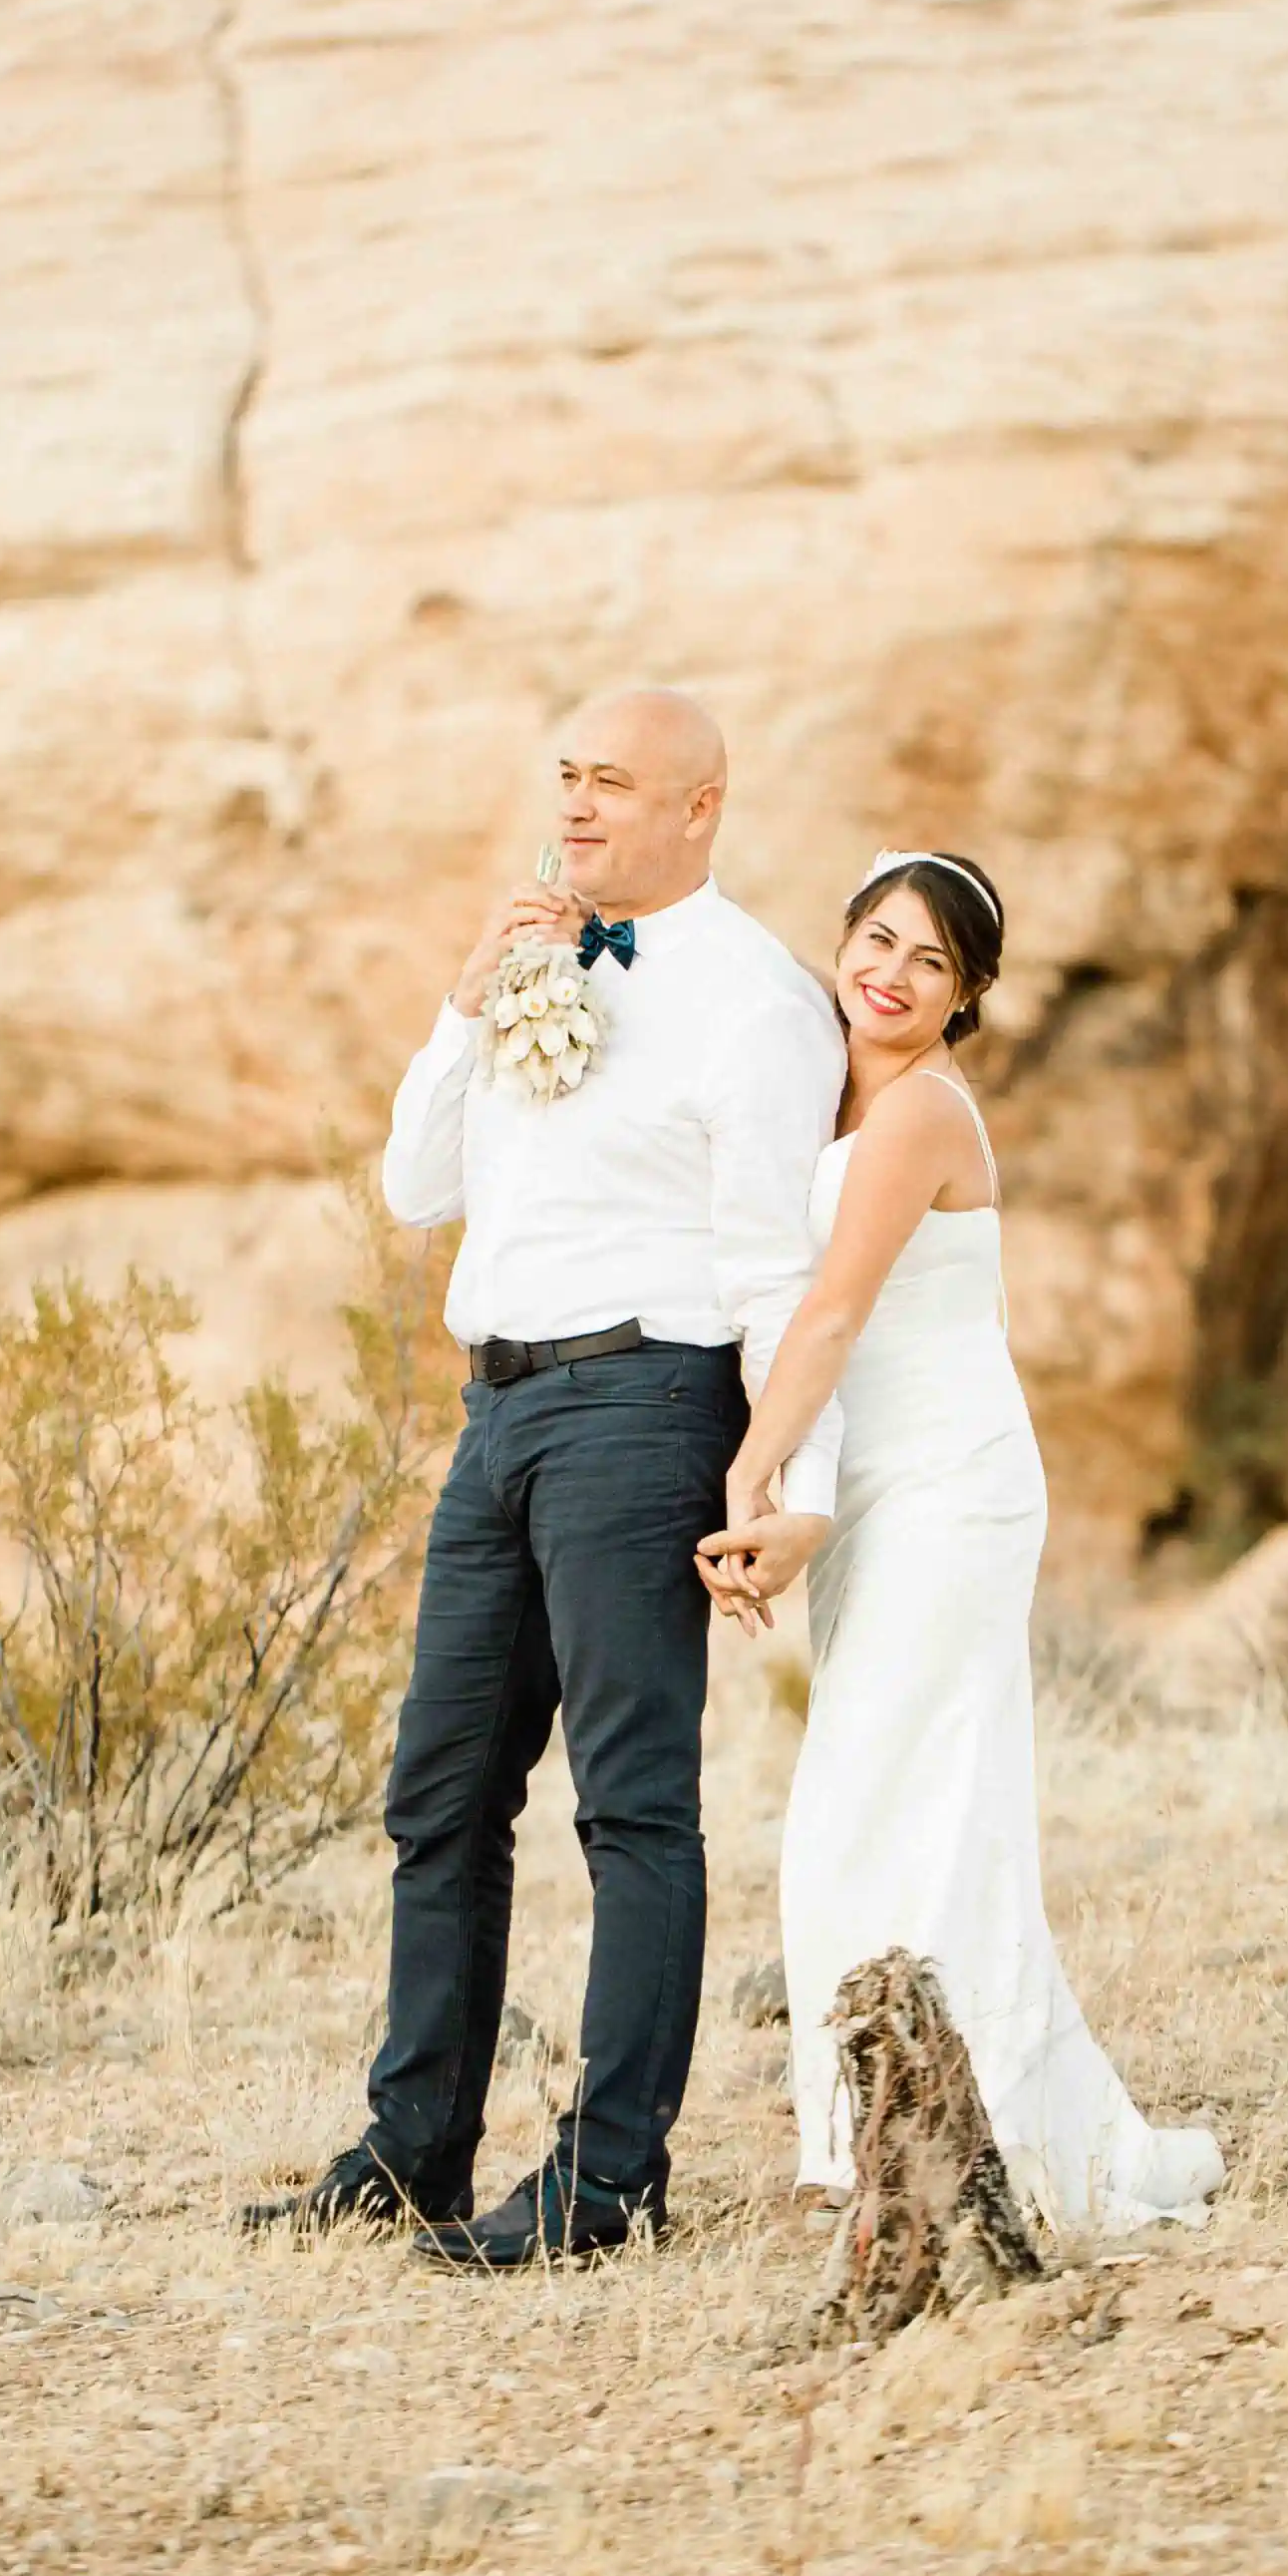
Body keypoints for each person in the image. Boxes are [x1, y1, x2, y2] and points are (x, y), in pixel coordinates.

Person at [243, 688, 845, 2270]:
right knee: (438, 1795)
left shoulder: (760, 1002)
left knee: (634, 1805)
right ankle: (412, 2148)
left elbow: (780, 1267)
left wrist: (782, 1478)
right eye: (567, 780)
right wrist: (465, 998)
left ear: (702, 806)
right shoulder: (527, 959)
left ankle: (610, 2183)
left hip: (647, 1408)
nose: (576, 810)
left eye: (614, 786)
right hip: (496, 1414)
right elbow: (413, 1185)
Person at [698, 852, 1223, 2238]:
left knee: (877, 1804)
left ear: (967, 996)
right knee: (901, 1800)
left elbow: (828, 1318)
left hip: (950, 1487)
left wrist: (749, 1480)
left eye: (931, 963)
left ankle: (882, 2150)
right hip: (876, 1488)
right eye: (877, 940)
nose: (892, 974)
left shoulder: (923, 1113)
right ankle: (919, 2128)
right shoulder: (825, 1094)